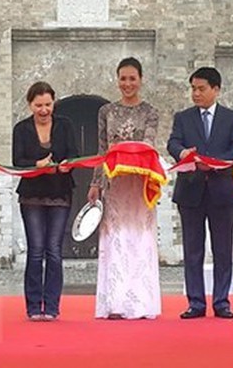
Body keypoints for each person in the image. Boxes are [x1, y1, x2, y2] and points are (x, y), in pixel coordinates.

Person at [87, 57, 161, 320]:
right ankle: (115, 302)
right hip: (114, 183)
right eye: (123, 78)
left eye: (132, 78)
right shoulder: (106, 112)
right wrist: (96, 182)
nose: (127, 83)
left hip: (139, 183)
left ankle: (140, 302)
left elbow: (148, 145)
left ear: (140, 80)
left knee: (139, 238)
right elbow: (102, 149)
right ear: (117, 80)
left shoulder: (150, 111)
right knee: (116, 237)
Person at [167, 67, 233, 319]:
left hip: (222, 190)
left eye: (201, 89)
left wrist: (212, 161)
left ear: (216, 89)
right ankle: (196, 302)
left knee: (222, 249)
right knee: (192, 249)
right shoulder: (184, 117)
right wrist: (183, 154)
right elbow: (173, 142)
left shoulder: (231, 118)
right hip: (191, 190)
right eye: (193, 88)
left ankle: (221, 301)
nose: (196, 93)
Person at [13, 81, 79, 321]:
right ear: (30, 105)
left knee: (54, 250)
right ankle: (32, 306)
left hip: (60, 191)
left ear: (54, 103)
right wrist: (36, 165)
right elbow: (17, 160)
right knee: (36, 250)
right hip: (32, 193)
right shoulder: (21, 129)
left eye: (48, 105)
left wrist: (66, 165)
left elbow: (74, 153)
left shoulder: (65, 125)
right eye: (38, 105)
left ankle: (51, 306)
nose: (43, 110)